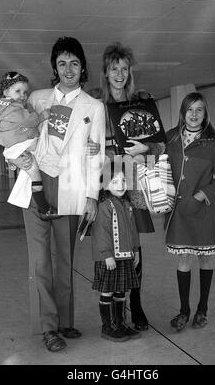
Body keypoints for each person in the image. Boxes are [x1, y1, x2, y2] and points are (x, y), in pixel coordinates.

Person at [9, 37, 106, 352]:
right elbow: (11, 129)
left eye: (74, 63)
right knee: (41, 262)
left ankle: (65, 321)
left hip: (71, 188)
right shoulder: (36, 99)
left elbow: (98, 155)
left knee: (64, 261)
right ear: (54, 67)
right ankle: (49, 328)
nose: (68, 69)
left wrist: (92, 196)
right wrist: (13, 158)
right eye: (62, 63)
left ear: (82, 68)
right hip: (36, 186)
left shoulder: (94, 107)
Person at [88, 42, 164, 331]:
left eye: (124, 68)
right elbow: (84, 142)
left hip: (135, 180)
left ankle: (137, 303)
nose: (119, 74)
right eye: (113, 69)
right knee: (111, 240)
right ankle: (113, 311)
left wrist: (144, 147)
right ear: (105, 73)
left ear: (129, 72)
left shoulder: (142, 102)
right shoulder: (96, 104)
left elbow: (158, 145)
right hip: (108, 181)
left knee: (134, 245)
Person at [164, 92, 215, 332]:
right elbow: (160, 165)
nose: (194, 114)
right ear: (182, 112)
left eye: (199, 110)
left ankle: (202, 308)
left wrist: (202, 194)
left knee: (205, 257)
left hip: (203, 212)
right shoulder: (170, 139)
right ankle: (184, 310)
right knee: (184, 259)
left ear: (205, 114)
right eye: (189, 109)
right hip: (179, 213)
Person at [0, 71, 53, 219]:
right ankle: (44, 208)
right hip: (20, 146)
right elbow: (28, 121)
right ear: (6, 92)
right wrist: (42, 116)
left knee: (32, 173)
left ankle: (43, 208)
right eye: (18, 91)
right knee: (34, 175)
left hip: (16, 148)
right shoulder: (13, 107)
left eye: (25, 92)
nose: (23, 95)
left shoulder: (3, 108)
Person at [90, 160, 141, 342]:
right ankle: (107, 326)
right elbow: (101, 232)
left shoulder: (127, 204)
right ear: (105, 184)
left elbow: (133, 230)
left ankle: (120, 324)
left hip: (125, 257)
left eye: (123, 181)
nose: (120, 185)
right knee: (108, 292)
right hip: (109, 259)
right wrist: (106, 255)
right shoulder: (104, 206)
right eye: (114, 182)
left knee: (121, 291)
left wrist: (135, 250)